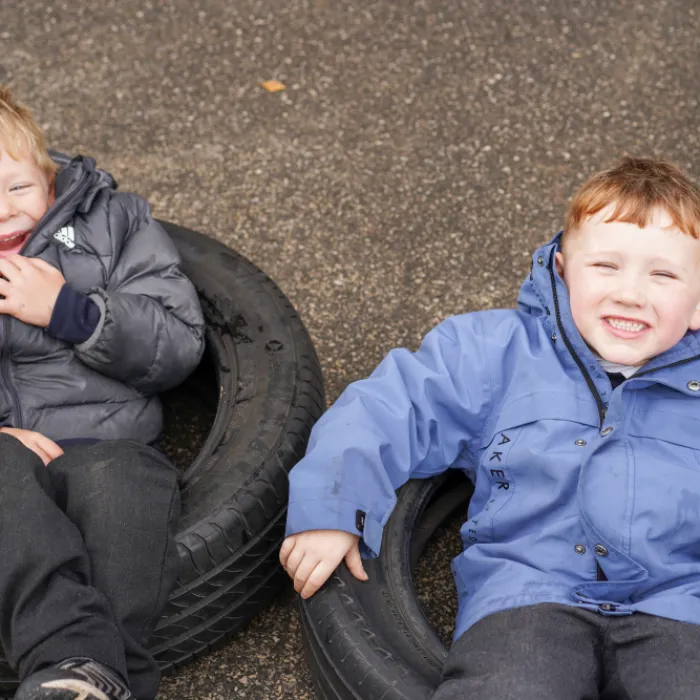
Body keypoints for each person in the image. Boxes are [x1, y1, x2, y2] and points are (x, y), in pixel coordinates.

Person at [281, 157, 700, 699]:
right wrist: (333, 508)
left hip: (678, 601)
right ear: (562, 269)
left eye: (663, 274)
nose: (629, 292)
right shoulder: (493, 352)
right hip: (527, 594)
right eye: (605, 266)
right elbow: (386, 410)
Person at [0, 86, 205, 700]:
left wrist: (73, 312)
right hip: (7, 451)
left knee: (122, 500)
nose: (4, 211)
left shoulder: (112, 222)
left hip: (107, 440)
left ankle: (78, 676)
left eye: (16, 188)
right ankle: (86, 670)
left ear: (49, 175)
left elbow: (180, 341)